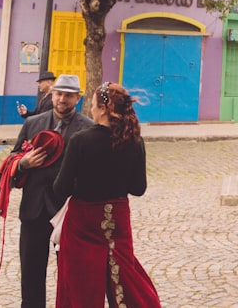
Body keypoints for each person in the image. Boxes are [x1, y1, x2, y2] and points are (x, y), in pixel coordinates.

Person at [53, 82, 161, 307]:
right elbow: (138, 188)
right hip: (116, 220)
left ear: (103, 108)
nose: (90, 109)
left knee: (80, 283)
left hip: (83, 221)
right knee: (124, 277)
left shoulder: (81, 140)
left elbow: (60, 189)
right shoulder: (134, 141)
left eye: (92, 104)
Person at [7, 74, 92, 308]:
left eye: (68, 95)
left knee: (70, 273)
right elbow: (12, 159)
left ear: (77, 98)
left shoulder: (88, 129)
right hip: (33, 209)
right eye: (58, 93)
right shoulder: (32, 124)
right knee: (31, 271)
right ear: (52, 94)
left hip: (67, 212)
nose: (62, 99)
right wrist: (24, 164)